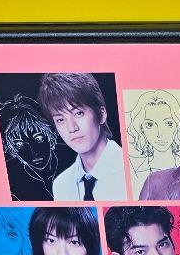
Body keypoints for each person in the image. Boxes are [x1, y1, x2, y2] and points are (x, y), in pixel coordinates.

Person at [39, 72, 126, 201]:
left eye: (78, 113)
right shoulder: (61, 185)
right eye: (60, 120)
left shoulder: (130, 172)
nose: (72, 128)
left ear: (101, 114)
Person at [126, 89, 180, 196]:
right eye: (150, 125)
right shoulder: (134, 173)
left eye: (168, 123)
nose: (160, 134)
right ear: (141, 128)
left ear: (178, 126)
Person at [0, 93, 59, 200]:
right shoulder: (10, 179)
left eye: (38, 139)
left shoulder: (74, 158)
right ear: (11, 149)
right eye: (19, 144)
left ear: (51, 135)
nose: (33, 152)